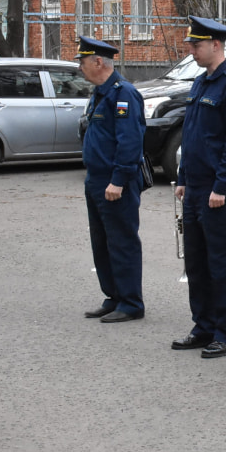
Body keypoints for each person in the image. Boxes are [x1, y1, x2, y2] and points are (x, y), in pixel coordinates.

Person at [172, 16, 226, 359]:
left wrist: (221, 185)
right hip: (196, 187)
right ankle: (202, 326)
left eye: (197, 44)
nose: (191, 49)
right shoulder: (201, 83)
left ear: (216, 45)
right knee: (197, 262)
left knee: (220, 263)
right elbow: (193, 136)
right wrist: (184, 178)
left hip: (217, 191)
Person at [77, 36, 148, 324]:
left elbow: (130, 142)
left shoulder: (123, 94)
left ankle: (131, 302)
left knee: (122, 241)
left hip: (115, 181)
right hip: (96, 178)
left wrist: (118, 180)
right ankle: (114, 295)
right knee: (102, 241)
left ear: (98, 61)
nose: (80, 68)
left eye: (82, 62)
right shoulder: (100, 93)